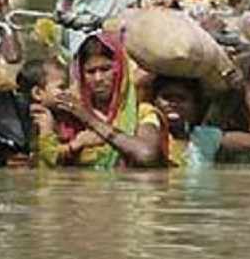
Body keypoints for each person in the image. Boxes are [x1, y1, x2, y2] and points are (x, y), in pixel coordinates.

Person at [39, 32, 164, 168]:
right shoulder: (70, 114)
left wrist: (91, 120)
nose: (98, 78)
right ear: (81, 74)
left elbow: (147, 155)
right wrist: (72, 145)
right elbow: (47, 167)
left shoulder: (142, 113)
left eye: (105, 69)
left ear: (120, 69)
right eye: (90, 72)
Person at [153, 72, 250, 168]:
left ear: (195, 106)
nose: (173, 104)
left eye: (181, 98)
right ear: (155, 102)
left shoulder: (206, 137)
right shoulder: (149, 138)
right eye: (167, 97)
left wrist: (246, 91)